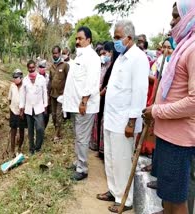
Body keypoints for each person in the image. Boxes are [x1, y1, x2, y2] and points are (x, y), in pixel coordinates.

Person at [143, 1, 195, 213]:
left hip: (179, 140)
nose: (171, 21)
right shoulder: (182, 46)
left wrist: (156, 111)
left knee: (176, 199)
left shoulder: (193, 49)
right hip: (167, 135)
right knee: (166, 194)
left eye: (176, 16)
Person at [97, 20, 149, 213]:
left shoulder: (138, 58)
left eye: (118, 37)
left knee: (122, 160)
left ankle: (124, 200)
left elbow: (139, 92)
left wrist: (132, 122)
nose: (115, 41)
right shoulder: (121, 56)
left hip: (124, 121)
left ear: (129, 38)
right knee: (110, 157)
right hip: (111, 118)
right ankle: (113, 190)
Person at [63, 26, 101, 181]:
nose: (77, 41)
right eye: (76, 38)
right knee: (78, 136)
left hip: (84, 105)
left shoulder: (92, 57)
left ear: (88, 40)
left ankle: (82, 169)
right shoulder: (80, 56)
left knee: (82, 138)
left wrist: (84, 101)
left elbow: (92, 82)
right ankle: (78, 161)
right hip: (75, 105)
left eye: (80, 38)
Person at [90, 42, 120, 158]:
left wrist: (101, 93)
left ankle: (103, 151)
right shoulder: (104, 66)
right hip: (100, 96)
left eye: (105, 52)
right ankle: (99, 148)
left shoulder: (113, 67)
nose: (104, 55)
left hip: (105, 98)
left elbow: (109, 84)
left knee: (103, 123)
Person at [20, 60, 48, 155]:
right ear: (27, 68)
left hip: (39, 107)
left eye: (33, 67)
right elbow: (22, 95)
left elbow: (45, 93)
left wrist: (45, 105)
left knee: (40, 128)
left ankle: (38, 146)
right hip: (28, 108)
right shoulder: (25, 80)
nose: (31, 69)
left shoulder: (41, 79)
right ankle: (31, 148)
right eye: (29, 68)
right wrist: (21, 108)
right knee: (30, 130)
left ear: (35, 67)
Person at [48, 46, 69, 142]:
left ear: (60, 53)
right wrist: (48, 94)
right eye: (53, 53)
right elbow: (50, 80)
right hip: (53, 94)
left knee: (58, 114)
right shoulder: (52, 66)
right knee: (53, 115)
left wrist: (66, 94)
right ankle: (58, 131)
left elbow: (68, 80)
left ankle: (56, 134)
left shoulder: (65, 65)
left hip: (61, 95)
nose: (54, 55)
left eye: (56, 53)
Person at [8, 69, 27, 156]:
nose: (15, 79)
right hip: (13, 111)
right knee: (13, 130)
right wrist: (11, 109)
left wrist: (23, 111)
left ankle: (19, 148)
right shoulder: (12, 86)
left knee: (21, 130)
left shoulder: (25, 86)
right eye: (14, 77)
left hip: (22, 112)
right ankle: (12, 150)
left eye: (17, 77)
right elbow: (10, 99)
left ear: (21, 77)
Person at [38, 60, 50, 129]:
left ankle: (43, 129)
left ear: (45, 68)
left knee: (46, 115)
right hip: (38, 99)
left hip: (46, 99)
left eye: (43, 67)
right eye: (40, 67)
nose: (41, 68)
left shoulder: (48, 77)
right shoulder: (35, 77)